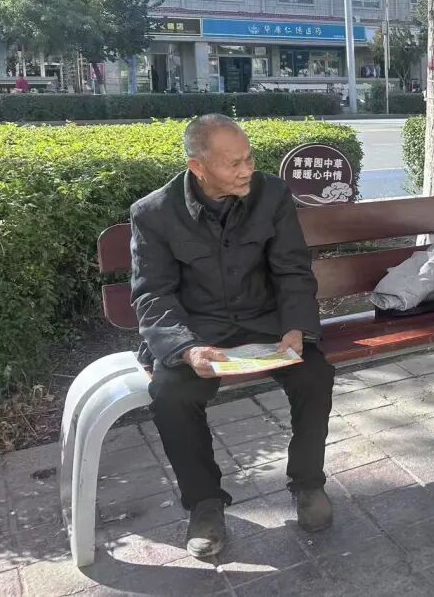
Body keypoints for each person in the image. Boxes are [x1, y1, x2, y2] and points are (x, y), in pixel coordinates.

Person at [129, 114, 334, 557]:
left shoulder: (272, 194)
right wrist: (186, 350)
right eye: (234, 163)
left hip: (264, 321)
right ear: (198, 167)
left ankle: (308, 483)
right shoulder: (154, 213)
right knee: (170, 395)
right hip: (198, 330)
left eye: (250, 159)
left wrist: (296, 326)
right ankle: (204, 503)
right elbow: (153, 294)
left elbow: (292, 269)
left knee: (315, 375)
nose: (247, 170)